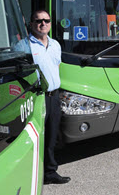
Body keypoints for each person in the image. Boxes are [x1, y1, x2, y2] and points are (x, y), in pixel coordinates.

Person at [29, 10, 70, 185]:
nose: (43, 24)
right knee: (35, 135)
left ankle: (50, 172)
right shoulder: (24, 46)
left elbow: (56, 67)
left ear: (51, 24)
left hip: (53, 96)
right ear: (32, 24)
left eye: (46, 20)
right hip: (37, 97)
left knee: (52, 135)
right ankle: (31, 171)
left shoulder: (55, 45)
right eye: (39, 21)